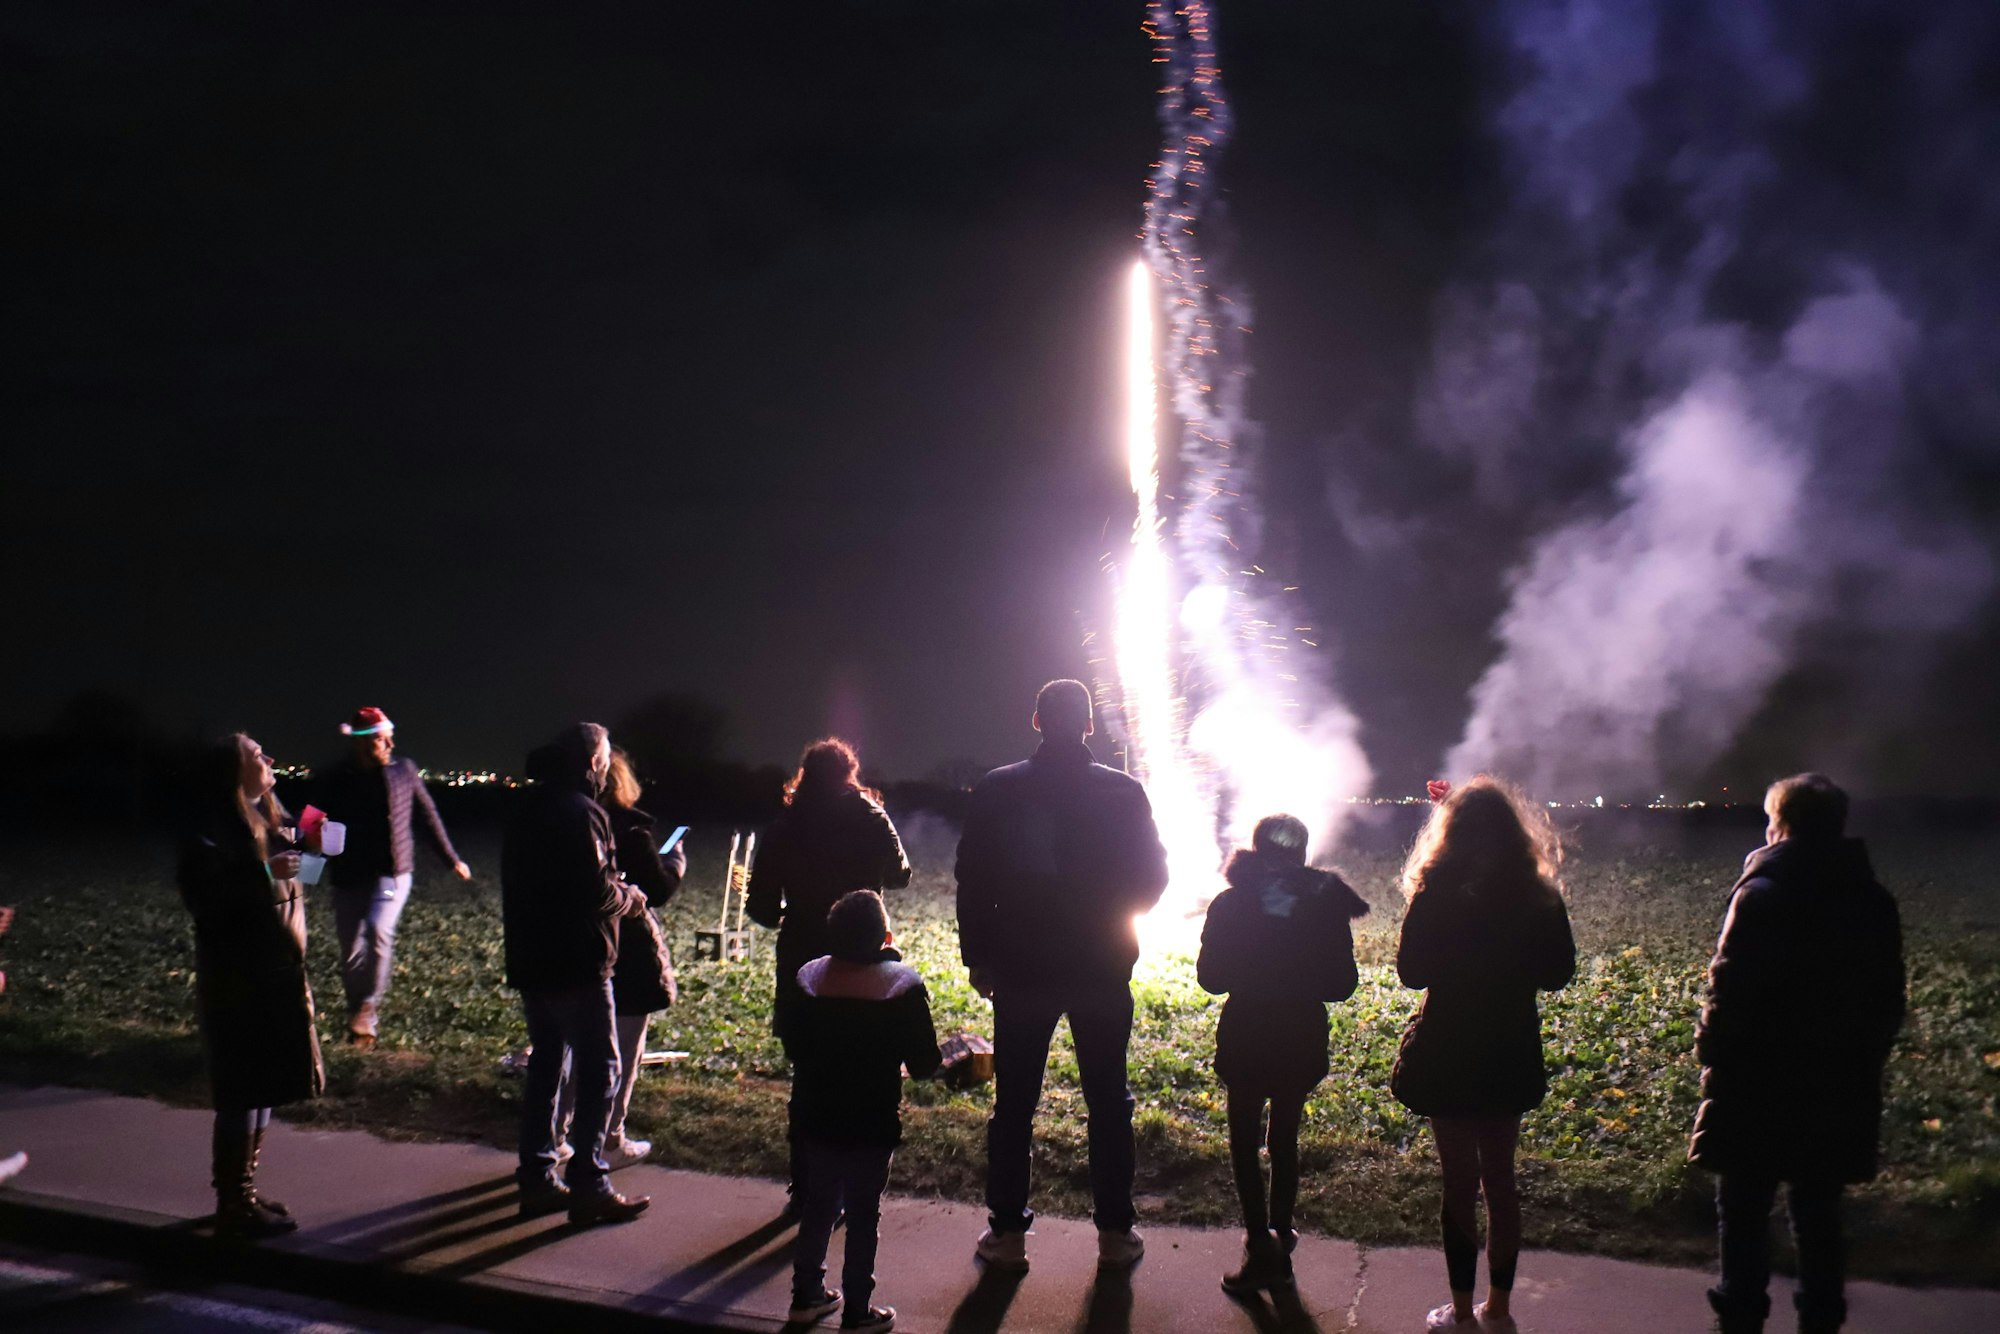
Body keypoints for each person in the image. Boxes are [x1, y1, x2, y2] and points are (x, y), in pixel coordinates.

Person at [954, 678, 1169, 1271]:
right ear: (1089, 724)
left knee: (1015, 1103)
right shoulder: (1124, 792)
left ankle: (1007, 1235)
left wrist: (980, 955)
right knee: (1108, 1101)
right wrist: (1113, 918)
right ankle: (1115, 1234)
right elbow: (1154, 876)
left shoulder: (999, 788)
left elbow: (972, 879)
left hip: (1022, 967)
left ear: (1036, 721)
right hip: (1101, 965)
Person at [1689, 774, 1904, 1334]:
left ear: (1779, 824)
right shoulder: (1872, 900)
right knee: (1818, 1211)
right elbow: (1887, 999)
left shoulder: (1762, 894)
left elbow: (1731, 989)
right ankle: (1822, 1316)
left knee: (1743, 1207)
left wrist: (1711, 1049)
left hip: (1758, 1082)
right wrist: (1862, 1060)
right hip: (1836, 1083)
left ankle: (1740, 1312)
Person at [1390, 776, 1575, 1331]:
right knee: (1500, 1180)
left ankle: (1463, 1311)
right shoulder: (1535, 892)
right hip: (1509, 1045)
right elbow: (1559, 972)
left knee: (1457, 1185)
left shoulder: (1435, 891)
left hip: (1449, 1046)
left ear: (1450, 833)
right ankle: (1500, 1308)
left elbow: (1410, 972)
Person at [1197, 813, 1369, 1295]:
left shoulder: (1230, 904)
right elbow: (1343, 984)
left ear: (1254, 851)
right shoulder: (1325, 908)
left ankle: (1259, 1245)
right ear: (1303, 855)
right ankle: (1281, 1231)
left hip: (1247, 1032)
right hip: (1300, 1033)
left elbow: (1210, 978)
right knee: (1285, 1135)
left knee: (1243, 1141)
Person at [747, 737, 912, 1208]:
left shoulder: (785, 824)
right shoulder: (870, 816)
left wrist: (796, 913)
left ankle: (806, 1187)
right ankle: (852, 1186)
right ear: (849, 773)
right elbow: (902, 875)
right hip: (862, 955)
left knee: (808, 1074)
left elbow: (760, 905)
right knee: (863, 1069)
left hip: (801, 958)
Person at [500, 723, 651, 1225]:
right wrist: (630, 899)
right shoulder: (582, 812)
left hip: (532, 957)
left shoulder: (526, 807)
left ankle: (538, 1177)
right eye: (605, 756)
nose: (608, 765)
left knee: (547, 1066)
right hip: (578, 961)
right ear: (592, 762)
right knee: (599, 1068)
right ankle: (590, 1182)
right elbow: (595, 890)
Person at [176, 734, 325, 1238]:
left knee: (261, 1084)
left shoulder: (271, 818)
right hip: (239, 976)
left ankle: (244, 1192)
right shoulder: (211, 830)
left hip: (276, 969)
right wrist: (263, 870)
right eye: (258, 755)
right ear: (233, 772)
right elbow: (206, 900)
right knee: (242, 1088)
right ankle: (232, 1202)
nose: (270, 760)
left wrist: (318, 851)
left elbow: (299, 880)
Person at [786, 891, 941, 1334]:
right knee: (862, 1213)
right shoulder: (900, 986)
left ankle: (806, 1295)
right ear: (885, 938)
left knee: (818, 1205)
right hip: (871, 1119)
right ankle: (858, 1308)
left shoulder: (810, 979)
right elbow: (925, 1064)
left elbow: (795, 1046)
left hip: (816, 1113)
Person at [555, 746, 686, 1167]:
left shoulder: (564, 821)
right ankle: (609, 1137)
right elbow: (657, 889)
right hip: (624, 947)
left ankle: (558, 1133)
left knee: (572, 1047)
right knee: (623, 1048)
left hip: (572, 943)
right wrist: (675, 865)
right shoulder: (629, 828)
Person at [310, 706, 471, 1049]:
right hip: (350, 874)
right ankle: (358, 1014)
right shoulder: (335, 778)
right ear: (360, 743)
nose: (389, 745)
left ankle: (369, 1007)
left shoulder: (404, 772)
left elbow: (428, 815)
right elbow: (310, 824)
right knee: (350, 947)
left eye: (389, 738)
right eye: (381, 739)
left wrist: (451, 859)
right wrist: (303, 872)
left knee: (378, 929)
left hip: (393, 874)